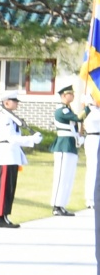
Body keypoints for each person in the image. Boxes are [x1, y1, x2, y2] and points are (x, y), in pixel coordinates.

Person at [0, 92, 36, 228]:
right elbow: (11, 137)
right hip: (6, 154)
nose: (17, 103)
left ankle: (5, 216)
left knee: (10, 187)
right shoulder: (5, 118)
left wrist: (28, 140)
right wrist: (30, 140)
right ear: (6, 102)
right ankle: (0, 217)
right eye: (14, 100)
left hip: (12, 155)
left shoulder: (11, 117)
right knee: (4, 187)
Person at [49, 84, 80, 216]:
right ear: (63, 96)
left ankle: (62, 204)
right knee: (61, 176)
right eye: (70, 93)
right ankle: (56, 205)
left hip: (71, 145)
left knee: (68, 177)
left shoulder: (68, 109)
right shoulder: (62, 110)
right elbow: (78, 118)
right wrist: (89, 107)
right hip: (63, 146)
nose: (73, 95)